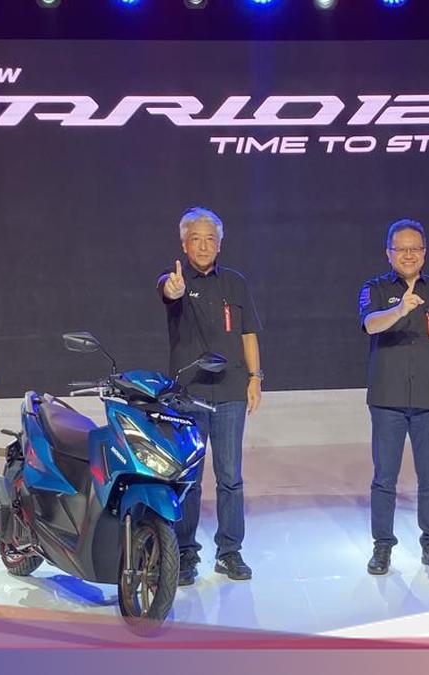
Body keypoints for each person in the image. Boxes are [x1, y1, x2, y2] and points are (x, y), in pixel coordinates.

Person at [157, 207, 263, 585]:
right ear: (184, 244)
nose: (203, 246)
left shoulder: (235, 283)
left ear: (220, 244)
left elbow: (248, 333)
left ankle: (229, 551)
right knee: (188, 477)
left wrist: (255, 377)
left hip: (231, 392)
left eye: (210, 239)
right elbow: (168, 291)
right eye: (196, 239)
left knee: (230, 476)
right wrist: (173, 289)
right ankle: (185, 552)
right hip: (189, 395)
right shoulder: (174, 280)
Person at [358, 219, 429, 576]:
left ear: (424, 252)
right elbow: (370, 324)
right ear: (388, 253)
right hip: (386, 399)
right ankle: (382, 546)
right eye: (401, 249)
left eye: (414, 249)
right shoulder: (374, 288)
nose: (408, 255)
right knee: (384, 478)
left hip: (427, 400)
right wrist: (400, 310)